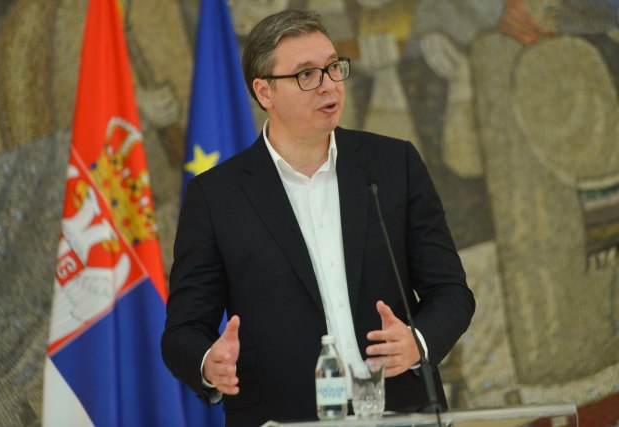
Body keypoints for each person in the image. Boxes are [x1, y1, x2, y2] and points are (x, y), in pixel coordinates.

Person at [162, 9, 475, 427]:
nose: (329, 85)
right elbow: (183, 329)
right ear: (265, 91)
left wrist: (416, 342)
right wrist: (208, 362)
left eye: (333, 67)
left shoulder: (392, 165)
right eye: (307, 74)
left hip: (400, 411)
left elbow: (451, 292)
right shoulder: (216, 196)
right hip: (282, 417)